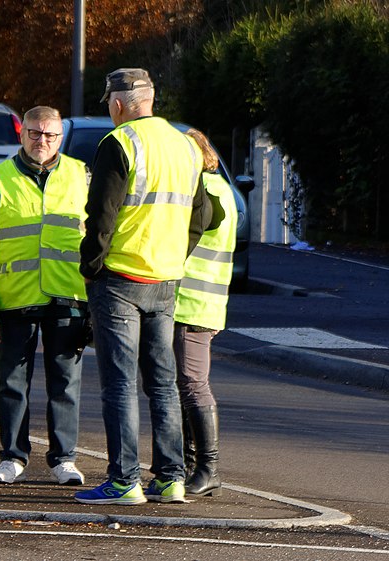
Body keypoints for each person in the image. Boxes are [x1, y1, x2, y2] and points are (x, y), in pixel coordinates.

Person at [74, 68, 213, 505]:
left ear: (117, 105)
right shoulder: (185, 146)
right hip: (165, 279)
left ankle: (123, 480)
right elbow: (204, 215)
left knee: (119, 384)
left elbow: (101, 215)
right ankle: (171, 478)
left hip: (119, 278)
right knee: (163, 383)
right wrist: (178, 255)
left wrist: (91, 267)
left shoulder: (119, 143)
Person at [0, 106, 90, 487]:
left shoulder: (81, 175)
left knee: (65, 382)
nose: (43, 141)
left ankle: (64, 458)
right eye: (35, 133)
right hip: (14, 299)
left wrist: (96, 305)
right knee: (12, 382)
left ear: (60, 138)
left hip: (68, 296)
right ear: (23, 135)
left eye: (51, 135)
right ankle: (12, 457)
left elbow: (103, 239)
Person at [174, 128, 237, 498]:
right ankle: (185, 466)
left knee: (192, 385)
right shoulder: (218, 188)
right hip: (201, 302)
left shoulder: (202, 194)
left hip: (191, 303)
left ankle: (206, 468)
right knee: (184, 386)